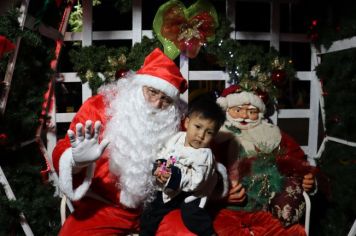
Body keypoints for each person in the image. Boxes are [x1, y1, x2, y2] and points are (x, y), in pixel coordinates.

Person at [52, 48, 188, 235]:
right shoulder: (101, 106)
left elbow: (203, 156)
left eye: (165, 100)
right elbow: (65, 148)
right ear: (138, 86)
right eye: (152, 92)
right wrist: (76, 160)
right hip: (106, 206)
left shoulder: (179, 122)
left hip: (160, 208)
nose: (156, 104)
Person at [212, 84, 317, 236]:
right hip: (226, 209)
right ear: (227, 110)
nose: (244, 116)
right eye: (238, 110)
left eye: (251, 111)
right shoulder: (217, 135)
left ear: (260, 113)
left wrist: (307, 178)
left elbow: (298, 161)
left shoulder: (272, 134)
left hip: (265, 207)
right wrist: (219, 195)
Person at [140, 98, 228, 236]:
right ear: (187, 123)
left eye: (209, 132)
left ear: (214, 135)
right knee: (151, 210)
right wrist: (160, 169)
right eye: (198, 127)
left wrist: (173, 176)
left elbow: (196, 181)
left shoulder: (205, 155)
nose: (201, 135)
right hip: (170, 185)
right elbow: (164, 152)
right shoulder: (176, 139)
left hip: (192, 192)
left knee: (192, 215)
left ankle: (209, 233)